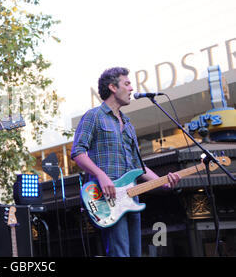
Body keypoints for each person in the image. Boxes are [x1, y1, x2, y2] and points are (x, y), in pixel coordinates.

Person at [71, 67, 181, 257]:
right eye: (127, 83)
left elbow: (138, 167)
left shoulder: (129, 125)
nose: (131, 88)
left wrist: (163, 181)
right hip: (107, 196)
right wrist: (101, 175)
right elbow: (78, 152)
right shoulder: (94, 116)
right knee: (119, 252)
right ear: (113, 87)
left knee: (135, 253)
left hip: (131, 197)